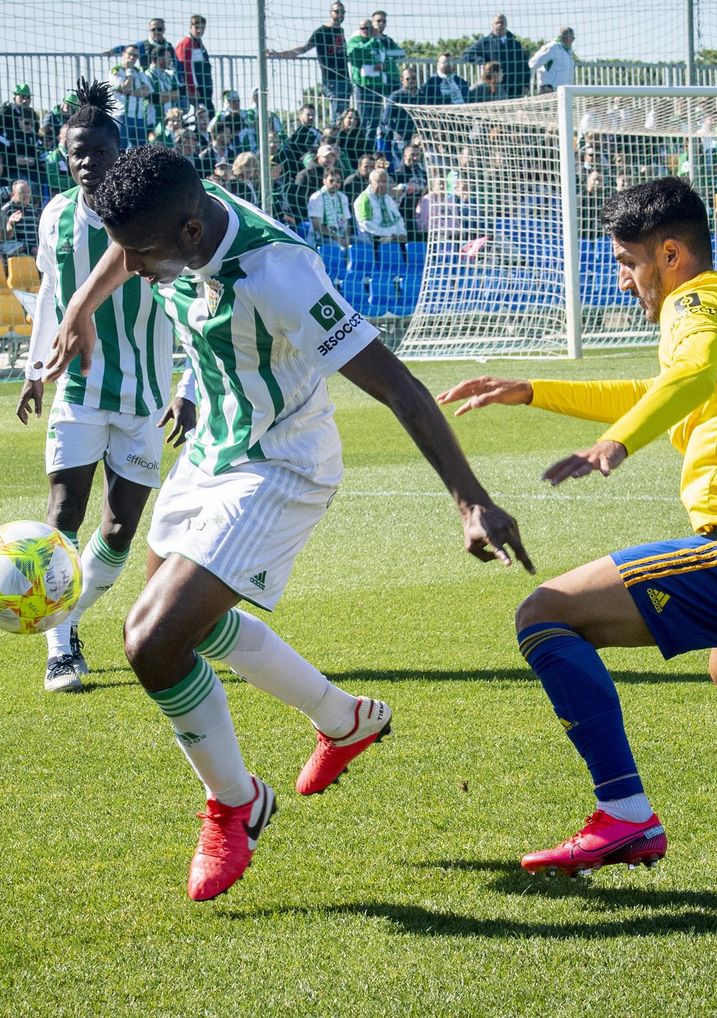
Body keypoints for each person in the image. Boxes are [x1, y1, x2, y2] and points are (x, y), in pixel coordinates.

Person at [40, 143, 530, 901]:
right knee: (185, 629)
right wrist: (79, 311)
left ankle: (236, 804)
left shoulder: (280, 275)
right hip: (211, 448)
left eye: (144, 255)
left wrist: (469, 499)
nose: (132, 269)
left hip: (283, 462)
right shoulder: (164, 226)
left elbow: (399, 386)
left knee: (151, 641)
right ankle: (347, 719)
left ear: (193, 234)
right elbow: (119, 245)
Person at [436, 177, 717, 876]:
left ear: (672, 255)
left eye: (629, 264)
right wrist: (534, 390)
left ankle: (625, 817)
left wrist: (615, 445)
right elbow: (673, 386)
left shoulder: (690, 303)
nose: (625, 281)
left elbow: (682, 378)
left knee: (545, 615)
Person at [15, 80, 197, 692]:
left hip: (146, 397)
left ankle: (66, 614)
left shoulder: (151, 215)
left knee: (119, 531)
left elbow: (197, 297)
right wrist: (36, 369)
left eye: (96, 150)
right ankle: (60, 647)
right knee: (63, 513)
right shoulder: (56, 215)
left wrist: (190, 384)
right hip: (80, 392)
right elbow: (49, 295)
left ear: (119, 151)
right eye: (75, 152)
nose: (85, 161)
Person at [268, 2, 349, 124]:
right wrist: (278, 54)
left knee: (344, 115)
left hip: (345, 78)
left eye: (342, 12)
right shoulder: (321, 32)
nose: (340, 15)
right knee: (337, 116)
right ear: (330, 13)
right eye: (337, 12)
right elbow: (303, 49)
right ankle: (334, 140)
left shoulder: (341, 31)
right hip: (332, 80)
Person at [462, 14, 526, 99]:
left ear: (506, 25)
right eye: (497, 23)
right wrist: (484, 62)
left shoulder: (515, 44)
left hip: (515, 86)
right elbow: (466, 55)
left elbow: (524, 65)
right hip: (495, 87)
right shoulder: (485, 42)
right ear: (492, 25)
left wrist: (526, 84)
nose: (499, 25)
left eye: (502, 23)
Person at [346, 20, 386, 140]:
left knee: (374, 120)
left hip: (376, 84)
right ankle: (362, 144)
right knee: (363, 118)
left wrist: (385, 65)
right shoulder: (354, 40)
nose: (366, 31)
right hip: (361, 85)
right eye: (363, 28)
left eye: (369, 28)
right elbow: (357, 52)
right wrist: (372, 40)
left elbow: (392, 54)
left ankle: (371, 147)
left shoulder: (379, 42)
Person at [111, 46, 154, 149]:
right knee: (120, 148)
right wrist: (129, 72)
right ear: (123, 54)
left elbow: (147, 92)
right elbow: (126, 88)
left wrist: (130, 92)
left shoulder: (139, 72)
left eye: (135, 56)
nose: (132, 58)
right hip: (122, 115)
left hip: (139, 117)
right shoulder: (116, 70)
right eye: (129, 54)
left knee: (142, 150)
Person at [353, 166, 407, 246]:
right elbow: (366, 225)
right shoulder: (364, 199)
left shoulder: (387, 198)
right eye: (379, 182)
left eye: (385, 182)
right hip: (371, 240)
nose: (383, 185)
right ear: (370, 182)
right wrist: (389, 233)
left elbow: (397, 218)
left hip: (393, 238)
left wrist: (401, 233)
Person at [175, 15, 213, 117]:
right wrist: (192, 89)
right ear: (190, 27)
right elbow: (186, 68)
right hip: (197, 89)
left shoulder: (198, 43)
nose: (200, 31)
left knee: (209, 113)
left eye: (202, 28)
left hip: (205, 87)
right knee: (202, 114)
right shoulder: (186, 44)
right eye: (197, 28)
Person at [307, 168, 351, 248]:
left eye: (338, 181)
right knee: (337, 247)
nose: (335, 184)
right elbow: (316, 225)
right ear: (324, 181)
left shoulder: (343, 197)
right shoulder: (317, 197)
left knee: (364, 243)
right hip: (321, 237)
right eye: (331, 181)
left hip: (340, 235)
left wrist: (347, 239)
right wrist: (336, 238)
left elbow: (347, 223)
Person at [528, 28, 577, 93]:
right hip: (549, 90)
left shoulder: (568, 51)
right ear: (565, 37)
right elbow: (533, 63)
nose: (573, 39)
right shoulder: (552, 47)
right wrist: (544, 84)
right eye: (572, 37)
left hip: (565, 92)